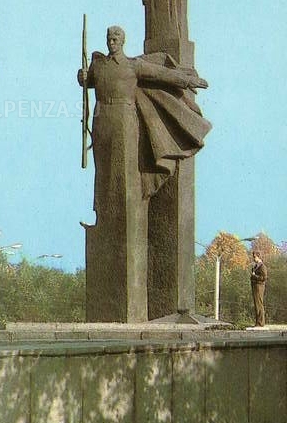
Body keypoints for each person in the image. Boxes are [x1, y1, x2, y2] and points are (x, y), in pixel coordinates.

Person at [77, 25, 211, 320]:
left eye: (116, 39)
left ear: (123, 42)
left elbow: (164, 76)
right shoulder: (98, 66)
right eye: (109, 38)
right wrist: (83, 78)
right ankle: (107, 212)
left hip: (125, 120)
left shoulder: (133, 66)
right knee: (104, 179)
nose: (112, 42)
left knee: (126, 181)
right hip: (102, 121)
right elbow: (87, 81)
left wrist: (189, 79)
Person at [250, 251, 267, 327]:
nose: (253, 258)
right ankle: (258, 323)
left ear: (258, 256)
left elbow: (264, 278)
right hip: (255, 287)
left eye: (254, 257)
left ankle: (260, 323)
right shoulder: (255, 266)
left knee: (259, 305)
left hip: (259, 287)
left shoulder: (262, 266)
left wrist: (254, 276)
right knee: (256, 305)